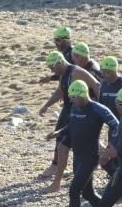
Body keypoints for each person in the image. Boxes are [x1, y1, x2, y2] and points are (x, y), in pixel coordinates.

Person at [52, 80, 119, 207]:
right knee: (88, 193)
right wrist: (59, 132)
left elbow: (116, 125)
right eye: (71, 97)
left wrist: (111, 147)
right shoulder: (75, 106)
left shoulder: (97, 109)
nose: (72, 100)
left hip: (91, 157)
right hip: (78, 156)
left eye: (74, 97)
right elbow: (72, 125)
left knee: (74, 191)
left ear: (83, 95)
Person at [38, 50, 100, 192]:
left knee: (76, 145)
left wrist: (97, 106)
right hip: (68, 112)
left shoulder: (76, 71)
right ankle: (57, 181)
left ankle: (105, 166)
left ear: (60, 62)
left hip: (79, 113)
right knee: (62, 145)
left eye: (52, 67)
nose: (51, 70)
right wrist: (46, 105)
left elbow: (96, 84)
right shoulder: (63, 74)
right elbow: (60, 91)